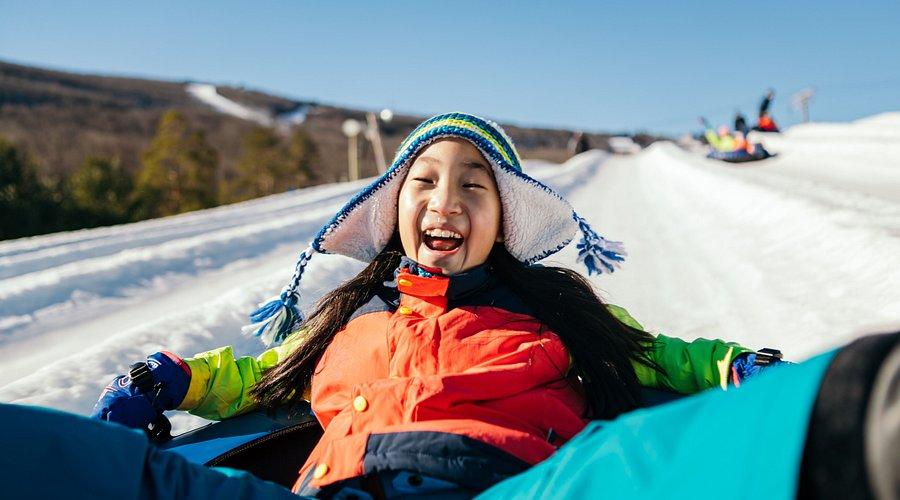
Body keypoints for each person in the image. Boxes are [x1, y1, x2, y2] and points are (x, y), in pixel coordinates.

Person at [2, 113, 834, 500]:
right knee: (35, 449)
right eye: (425, 182)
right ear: (396, 210)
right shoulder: (349, 320)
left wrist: (736, 368)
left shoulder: (546, 313)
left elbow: (654, 357)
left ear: (500, 221)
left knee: (787, 430)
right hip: (336, 494)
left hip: (512, 488)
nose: (447, 199)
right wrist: (169, 378)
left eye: (475, 186)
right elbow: (262, 378)